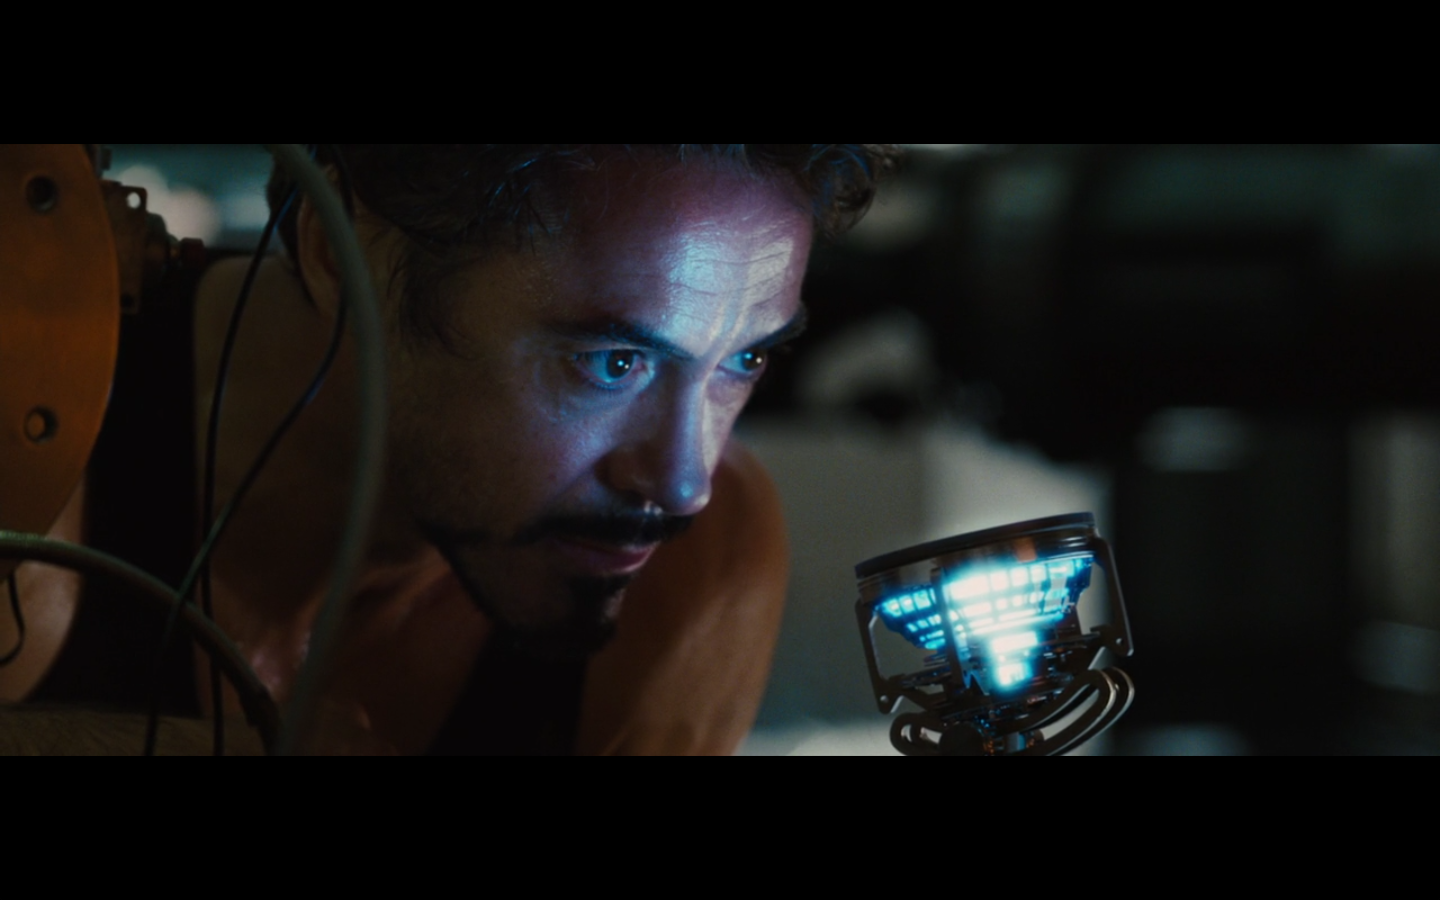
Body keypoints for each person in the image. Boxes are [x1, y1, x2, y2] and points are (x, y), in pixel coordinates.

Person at [10, 144, 901, 755]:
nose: (682, 483)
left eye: (743, 361)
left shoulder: (697, 574)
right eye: (613, 362)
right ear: (338, 255)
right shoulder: (40, 459)